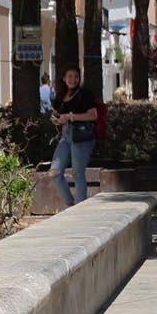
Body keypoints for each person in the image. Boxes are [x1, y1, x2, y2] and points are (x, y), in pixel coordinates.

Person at [49, 66, 97, 208]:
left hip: (82, 136)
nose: (73, 79)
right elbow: (54, 113)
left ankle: (80, 208)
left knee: (77, 173)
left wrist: (71, 117)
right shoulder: (60, 95)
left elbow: (93, 115)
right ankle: (70, 205)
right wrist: (55, 119)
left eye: (76, 76)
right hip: (65, 136)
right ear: (64, 79)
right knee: (55, 172)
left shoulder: (85, 94)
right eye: (69, 76)